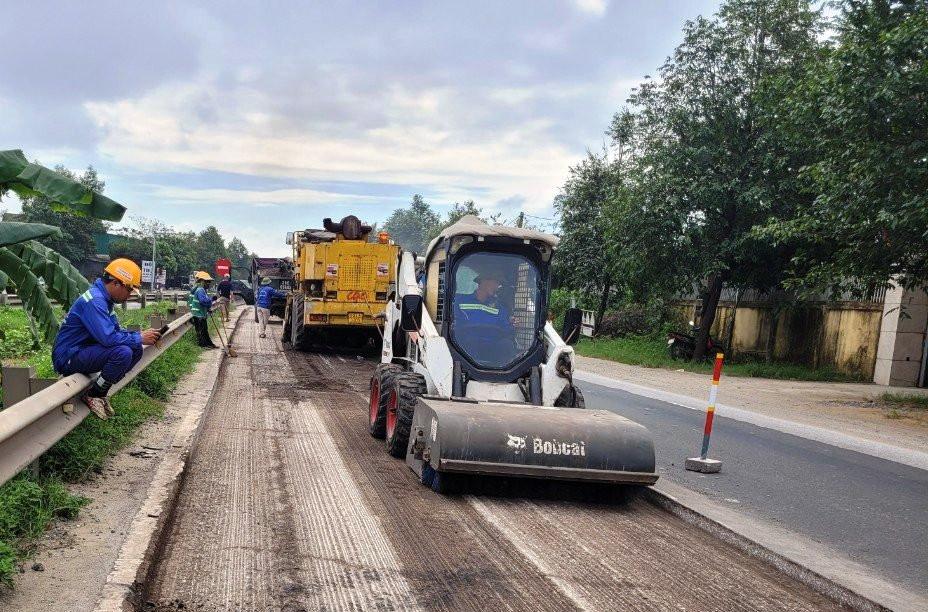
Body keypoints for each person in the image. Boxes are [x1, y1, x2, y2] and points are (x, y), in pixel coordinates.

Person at [52, 259, 163, 420]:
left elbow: (116, 331)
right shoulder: (95, 301)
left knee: (136, 349)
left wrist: (139, 338)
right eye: (129, 290)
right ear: (116, 283)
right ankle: (94, 394)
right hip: (69, 356)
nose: (129, 296)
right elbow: (108, 338)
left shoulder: (105, 301)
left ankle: (100, 389)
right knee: (123, 352)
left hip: (84, 351)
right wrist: (139, 337)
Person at [452, 266, 517, 364]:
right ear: (483, 281)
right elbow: (453, 324)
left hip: (492, 348)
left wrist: (512, 324)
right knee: (470, 343)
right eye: (496, 282)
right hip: (467, 348)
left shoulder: (498, 307)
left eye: (499, 283)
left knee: (506, 345)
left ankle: (500, 374)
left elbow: (506, 328)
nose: (498, 286)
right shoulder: (460, 301)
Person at [189, 271, 218, 348]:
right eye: (207, 281)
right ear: (202, 281)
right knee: (201, 331)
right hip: (198, 314)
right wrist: (211, 300)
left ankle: (209, 343)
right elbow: (202, 301)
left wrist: (208, 307)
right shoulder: (200, 290)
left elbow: (205, 302)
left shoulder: (202, 290)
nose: (209, 283)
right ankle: (203, 345)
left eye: (209, 281)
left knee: (205, 330)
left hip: (201, 313)